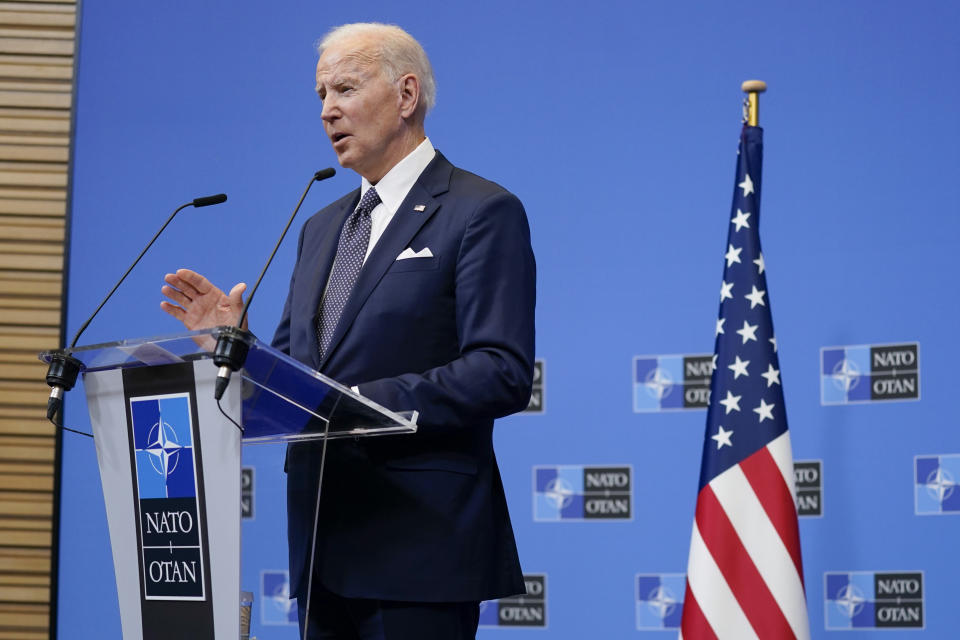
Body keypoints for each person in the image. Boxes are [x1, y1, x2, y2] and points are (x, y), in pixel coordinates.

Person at [160, 22, 535, 640]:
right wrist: (236, 347)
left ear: (406, 95)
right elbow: (295, 377)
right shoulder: (321, 226)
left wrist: (355, 407)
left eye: (345, 89)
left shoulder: (480, 210)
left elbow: (501, 370)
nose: (327, 110)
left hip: (419, 548)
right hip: (320, 549)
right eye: (320, 95)